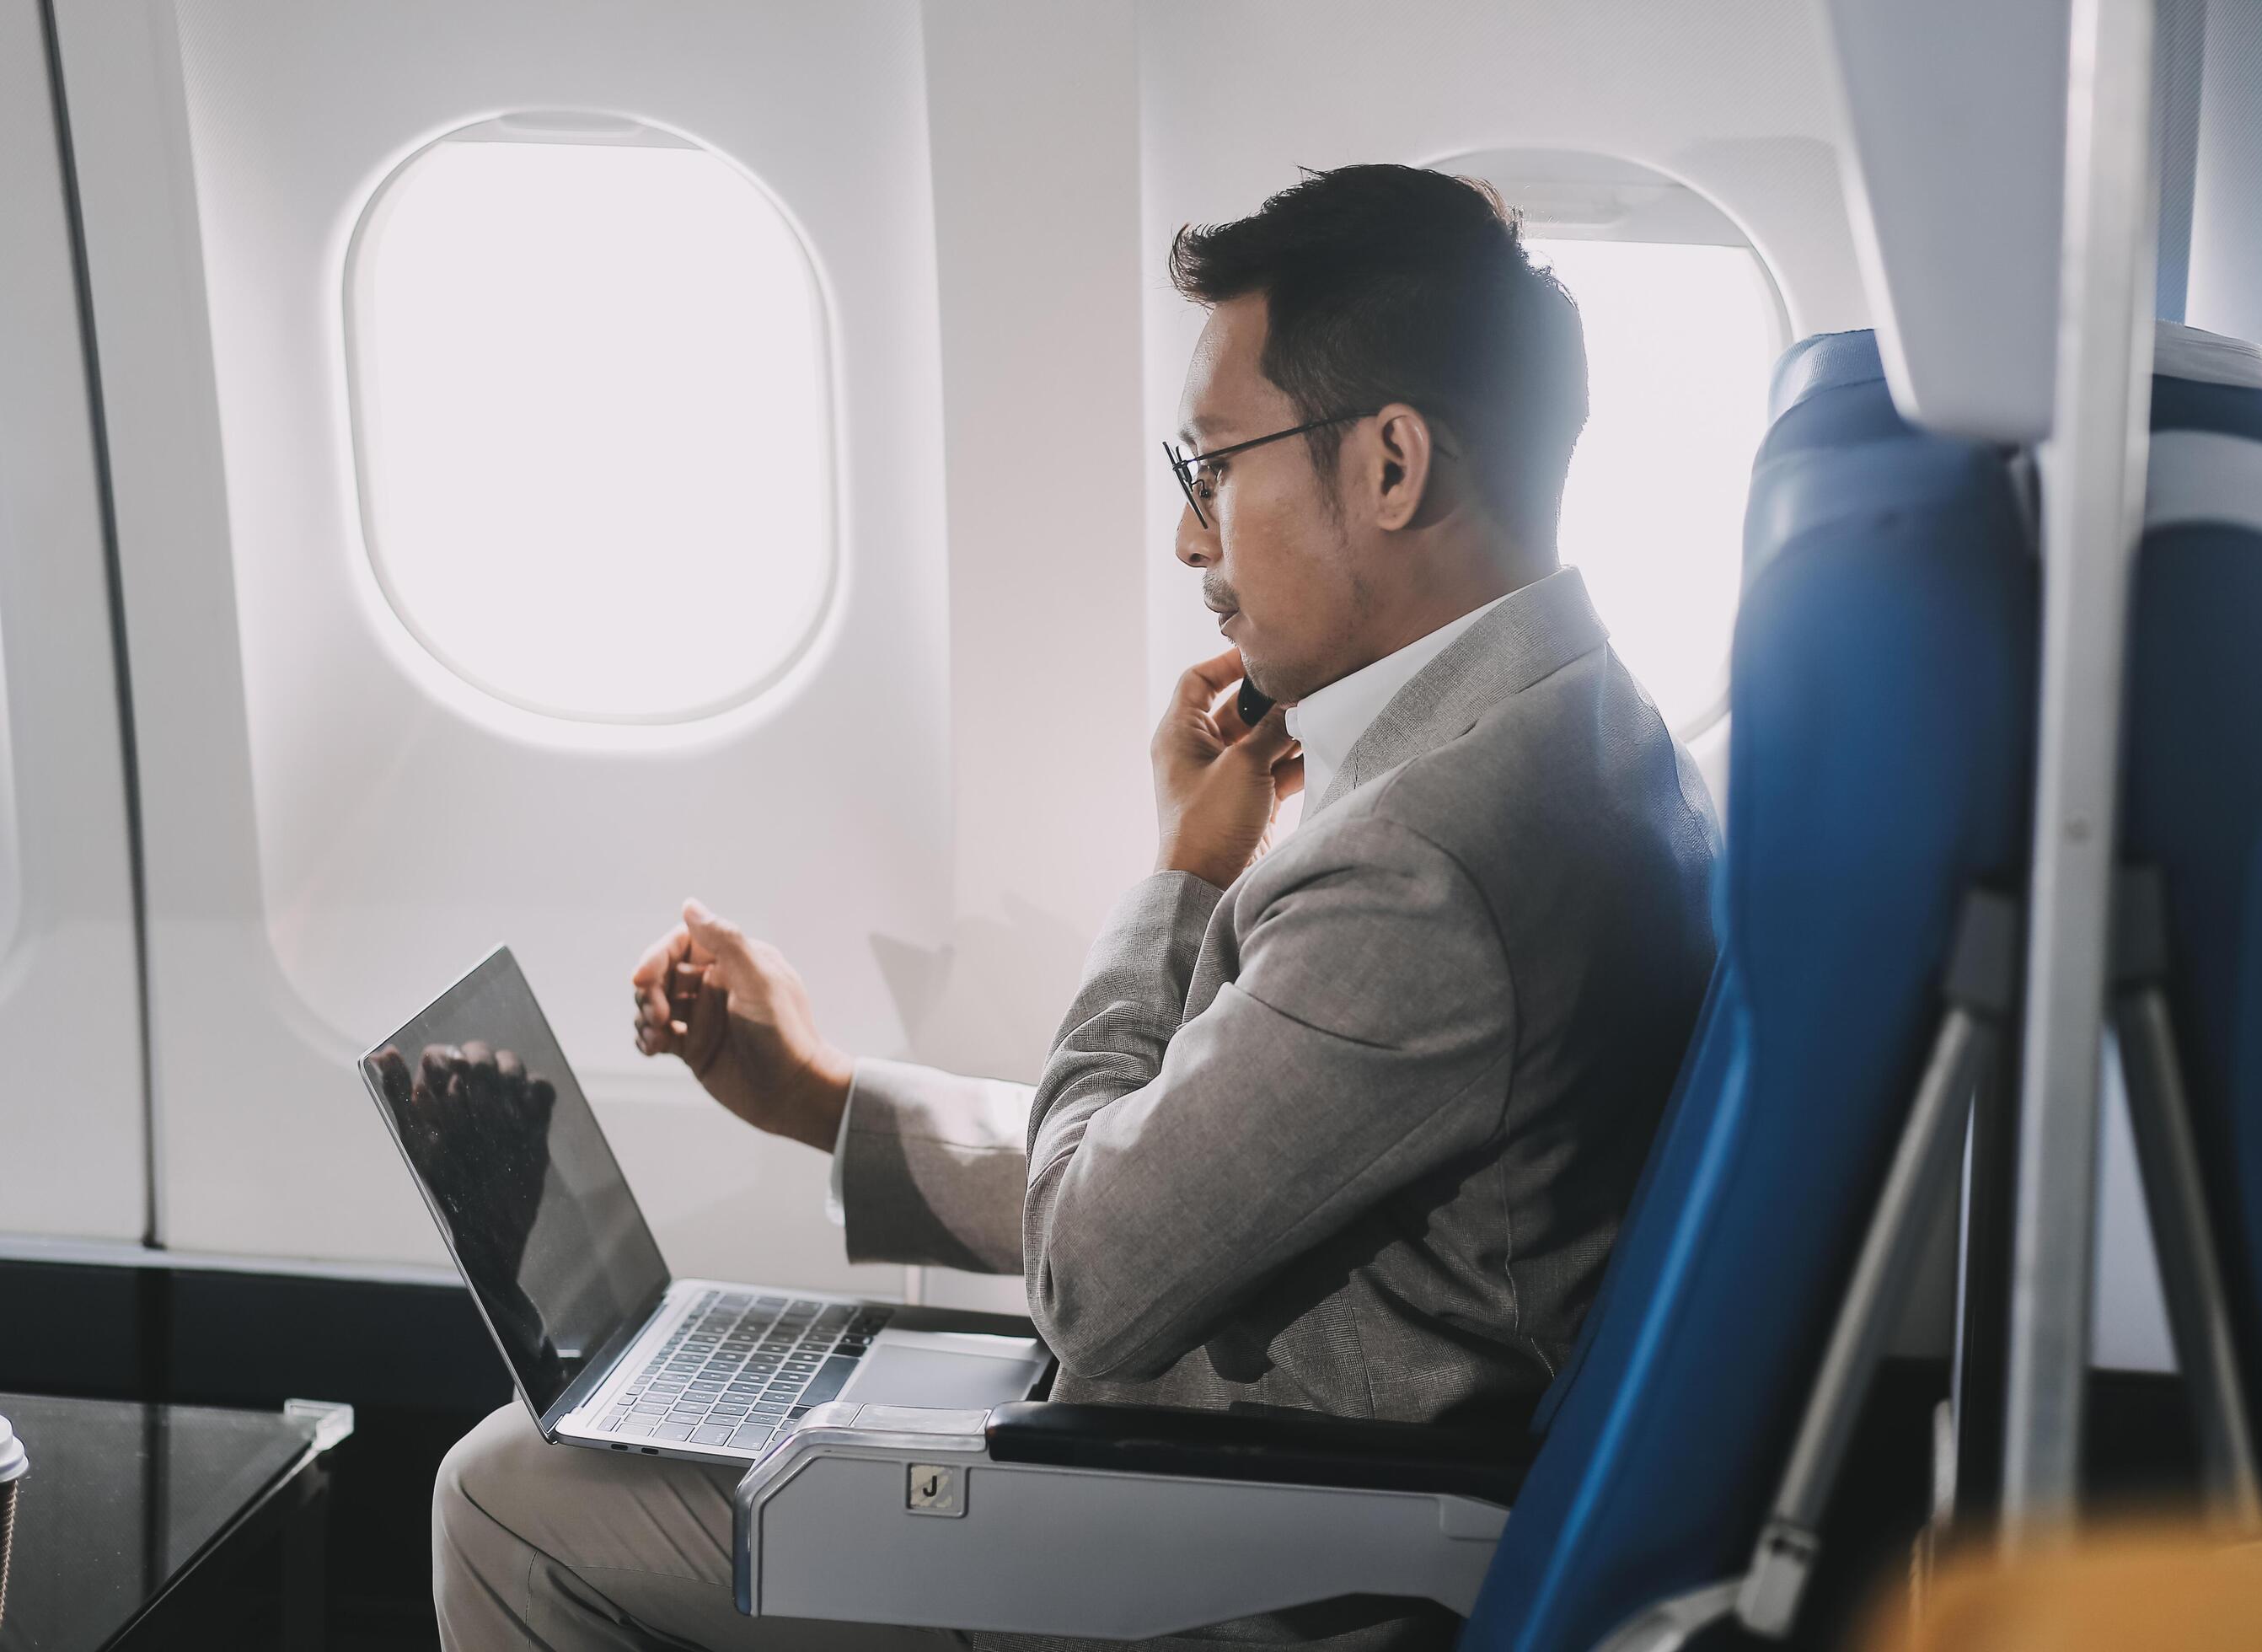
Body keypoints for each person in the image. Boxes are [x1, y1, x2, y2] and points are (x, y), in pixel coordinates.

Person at [433, 163, 1721, 1652]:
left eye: (1215, 469)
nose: (1191, 543)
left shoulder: (1426, 861)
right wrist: (827, 1101)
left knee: (512, 1496)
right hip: (1222, 1474)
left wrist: (1180, 878)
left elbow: (1094, 1277)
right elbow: (1195, 1159)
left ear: (1388, 466)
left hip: (1237, 1560)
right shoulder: (1581, 734)